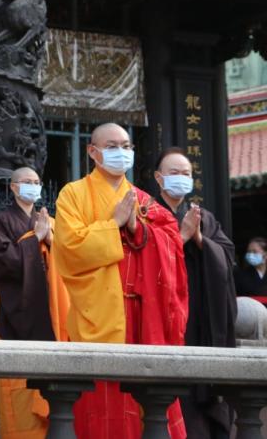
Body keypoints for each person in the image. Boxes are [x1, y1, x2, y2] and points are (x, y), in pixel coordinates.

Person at [53, 123, 188, 439]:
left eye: (126, 146)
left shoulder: (144, 200)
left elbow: (172, 245)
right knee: (101, 403)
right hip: (98, 318)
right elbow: (70, 249)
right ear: (92, 151)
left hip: (144, 320)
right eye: (112, 146)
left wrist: (139, 230)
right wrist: (113, 224)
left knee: (145, 407)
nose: (121, 152)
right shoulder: (73, 195)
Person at [154, 148, 235, 438]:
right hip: (164, 316)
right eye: (174, 173)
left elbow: (227, 257)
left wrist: (200, 238)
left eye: (186, 173)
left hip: (199, 315)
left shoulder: (204, 217)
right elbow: (145, 262)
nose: (181, 178)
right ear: (158, 178)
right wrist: (183, 236)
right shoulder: (148, 214)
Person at [0, 167, 69, 439]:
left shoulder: (48, 220)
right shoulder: (2, 219)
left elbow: (67, 262)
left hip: (47, 307)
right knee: (17, 384)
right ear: (13, 187)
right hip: (14, 310)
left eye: (36, 182)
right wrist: (34, 238)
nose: (33, 186)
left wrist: (50, 238)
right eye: (27, 182)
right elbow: (4, 262)